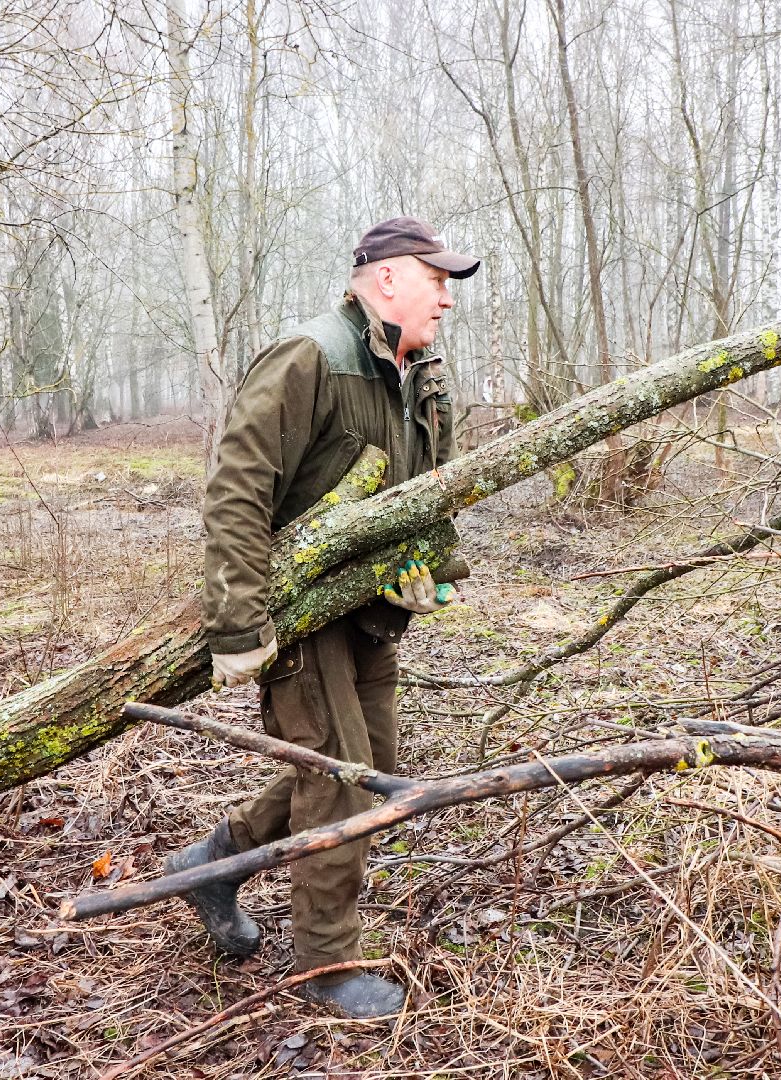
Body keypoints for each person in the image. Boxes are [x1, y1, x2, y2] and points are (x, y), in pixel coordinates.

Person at [166, 217, 480, 1019]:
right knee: (341, 776)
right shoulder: (309, 356)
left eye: (448, 282)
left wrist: (432, 578)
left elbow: (428, 495)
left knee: (367, 764)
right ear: (383, 280)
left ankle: (215, 863)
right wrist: (239, 624)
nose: (446, 296)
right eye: (434, 278)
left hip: (369, 612)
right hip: (297, 612)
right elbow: (236, 488)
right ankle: (326, 965)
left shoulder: (426, 374)